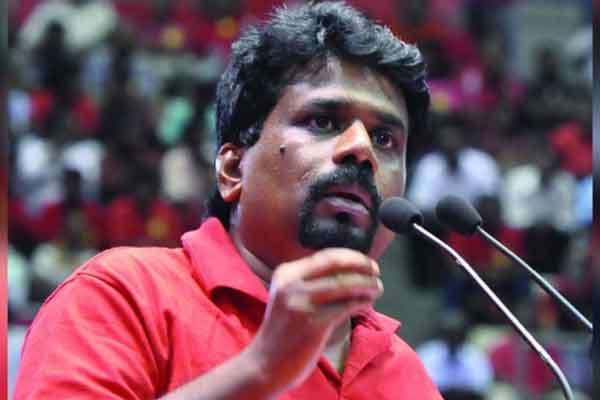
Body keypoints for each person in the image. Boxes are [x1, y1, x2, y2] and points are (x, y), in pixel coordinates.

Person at [14, 2, 441, 399]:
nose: (361, 149)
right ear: (233, 169)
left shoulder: (406, 374)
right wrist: (261, 370)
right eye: (323, 121)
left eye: (385, 139)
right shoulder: (124, 295)